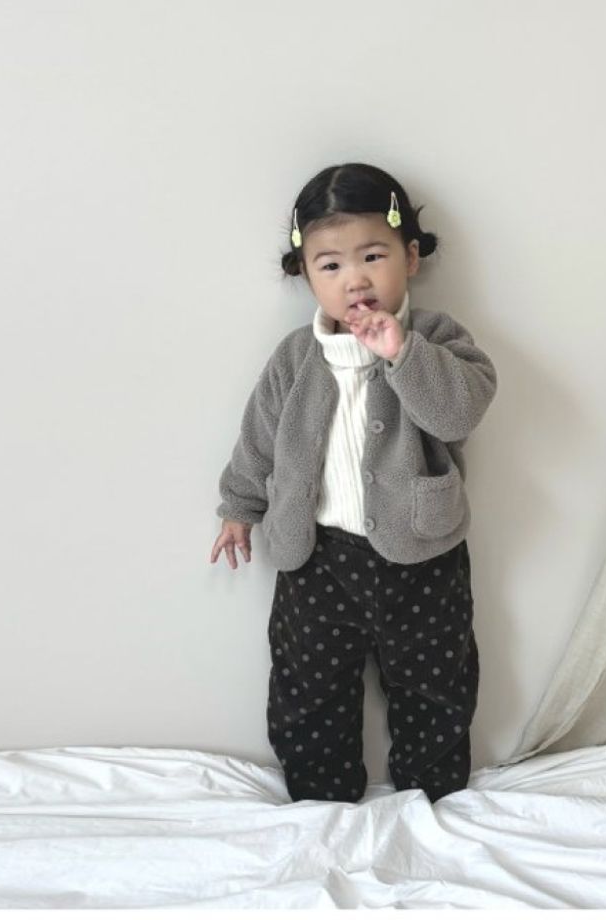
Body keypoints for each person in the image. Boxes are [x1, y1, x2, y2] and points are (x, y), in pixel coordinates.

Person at [209, 162, 497, 805]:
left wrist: (401, 353)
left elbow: (460, 414)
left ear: (410, 257)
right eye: (331, 264)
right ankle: (321, 799)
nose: (355, 278)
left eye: (373, 256)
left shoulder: (436, 339)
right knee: (308, 684)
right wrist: (239, 506)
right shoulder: (295, 357)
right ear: (306, 275)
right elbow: (259, 437)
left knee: (433, 679)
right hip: (317, 558)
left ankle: (431, 794)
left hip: (422, 552)